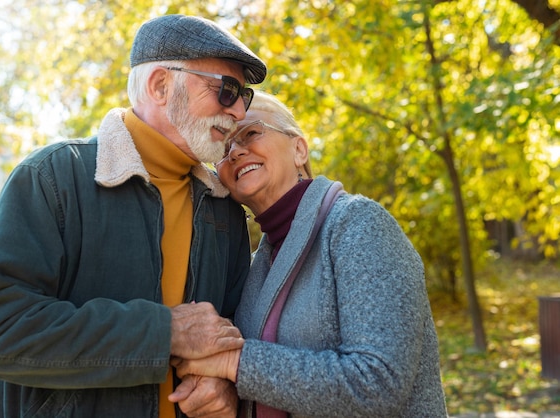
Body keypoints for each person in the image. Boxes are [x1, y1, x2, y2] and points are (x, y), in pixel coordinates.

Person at [0, 14, 266, 418]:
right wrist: (165, 332)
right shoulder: (52, 178)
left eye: (244, 96)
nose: (238, 112)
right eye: (226, 90)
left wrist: (225, 386)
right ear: (160, 85)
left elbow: (231, 336)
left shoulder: (224, 208)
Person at [170, 91, 449, 417]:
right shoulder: (259, 262)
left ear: (299, 149)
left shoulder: (358, 224)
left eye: (250, 133)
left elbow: (378, 384)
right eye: (224, 147)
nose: (235, 151)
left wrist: (234, 361)